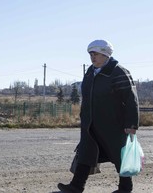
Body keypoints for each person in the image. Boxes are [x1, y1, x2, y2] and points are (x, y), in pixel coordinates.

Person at [58, 39, 140, 193]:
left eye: (96, 54)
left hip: (114, 125)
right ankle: (76, 186)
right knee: (85, 153)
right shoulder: (90, 72)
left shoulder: (118, 72)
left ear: (105, 54)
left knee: (120, 157)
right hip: (91, 124)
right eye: (91, 54)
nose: (92, 57)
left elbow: (131, 99)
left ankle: (125, 188)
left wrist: (132, 124)